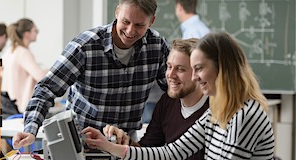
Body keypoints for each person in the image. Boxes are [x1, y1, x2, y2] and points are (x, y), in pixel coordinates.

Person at [82, 31, 275, 159]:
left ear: (221, 69)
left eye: (198, 68)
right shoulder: (218, 111)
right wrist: (108, 146)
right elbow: (172, 152)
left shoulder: (244, 116)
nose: (196, 76)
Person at [12, 0, 170, 149]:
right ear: (117, 12)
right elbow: (46, 88)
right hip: (83, 143)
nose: (130, 31)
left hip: (126, 145)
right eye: (126, 22)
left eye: (139, 25)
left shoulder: (157, 47)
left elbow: (173, 92)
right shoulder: (85, 46)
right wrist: (31, 129)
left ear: (151, 21)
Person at [103, 38, 208, 160]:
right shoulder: (167, 101)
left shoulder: (216, 110)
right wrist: (125, 142)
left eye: (180, 69)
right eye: (169, 67)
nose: (170, 75)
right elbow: (147, 150)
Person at [1, 18, 47, 113]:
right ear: (27, 34)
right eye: (35, 30)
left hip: (9, 105)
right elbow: (41, 77)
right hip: (21, 106)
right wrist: (52, 70)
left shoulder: (9, 51)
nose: (37, 33)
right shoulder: (23, 53)